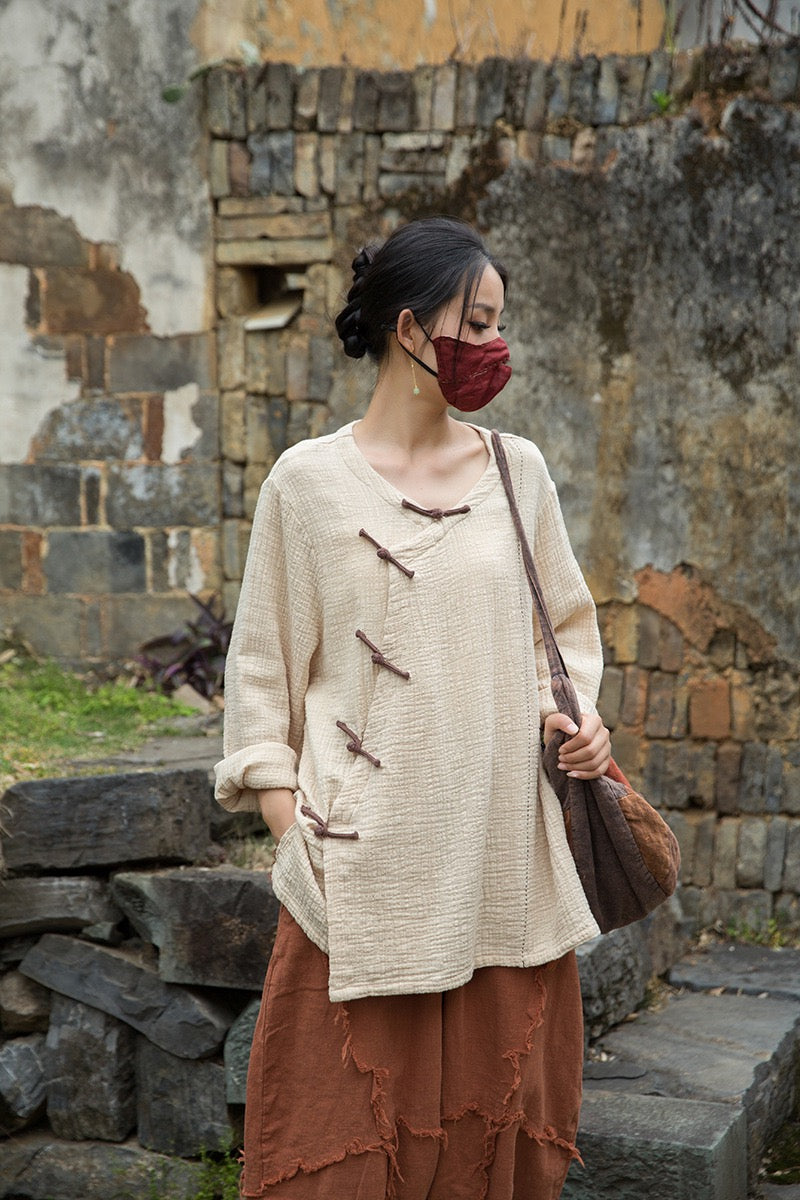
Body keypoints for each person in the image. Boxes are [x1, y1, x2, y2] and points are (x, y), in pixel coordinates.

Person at [214, 215, 611, 1200]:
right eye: (474, 324)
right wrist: (292, 830)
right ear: (406, 328)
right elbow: (260, 675)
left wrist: (575, 720)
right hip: (362, 878)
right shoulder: (306, 485)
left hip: (499, 863)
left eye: (498, 324)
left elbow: (560, 635)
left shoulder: (518, 472)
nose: (493, 346)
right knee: (341, 1153)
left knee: (491, 1155)